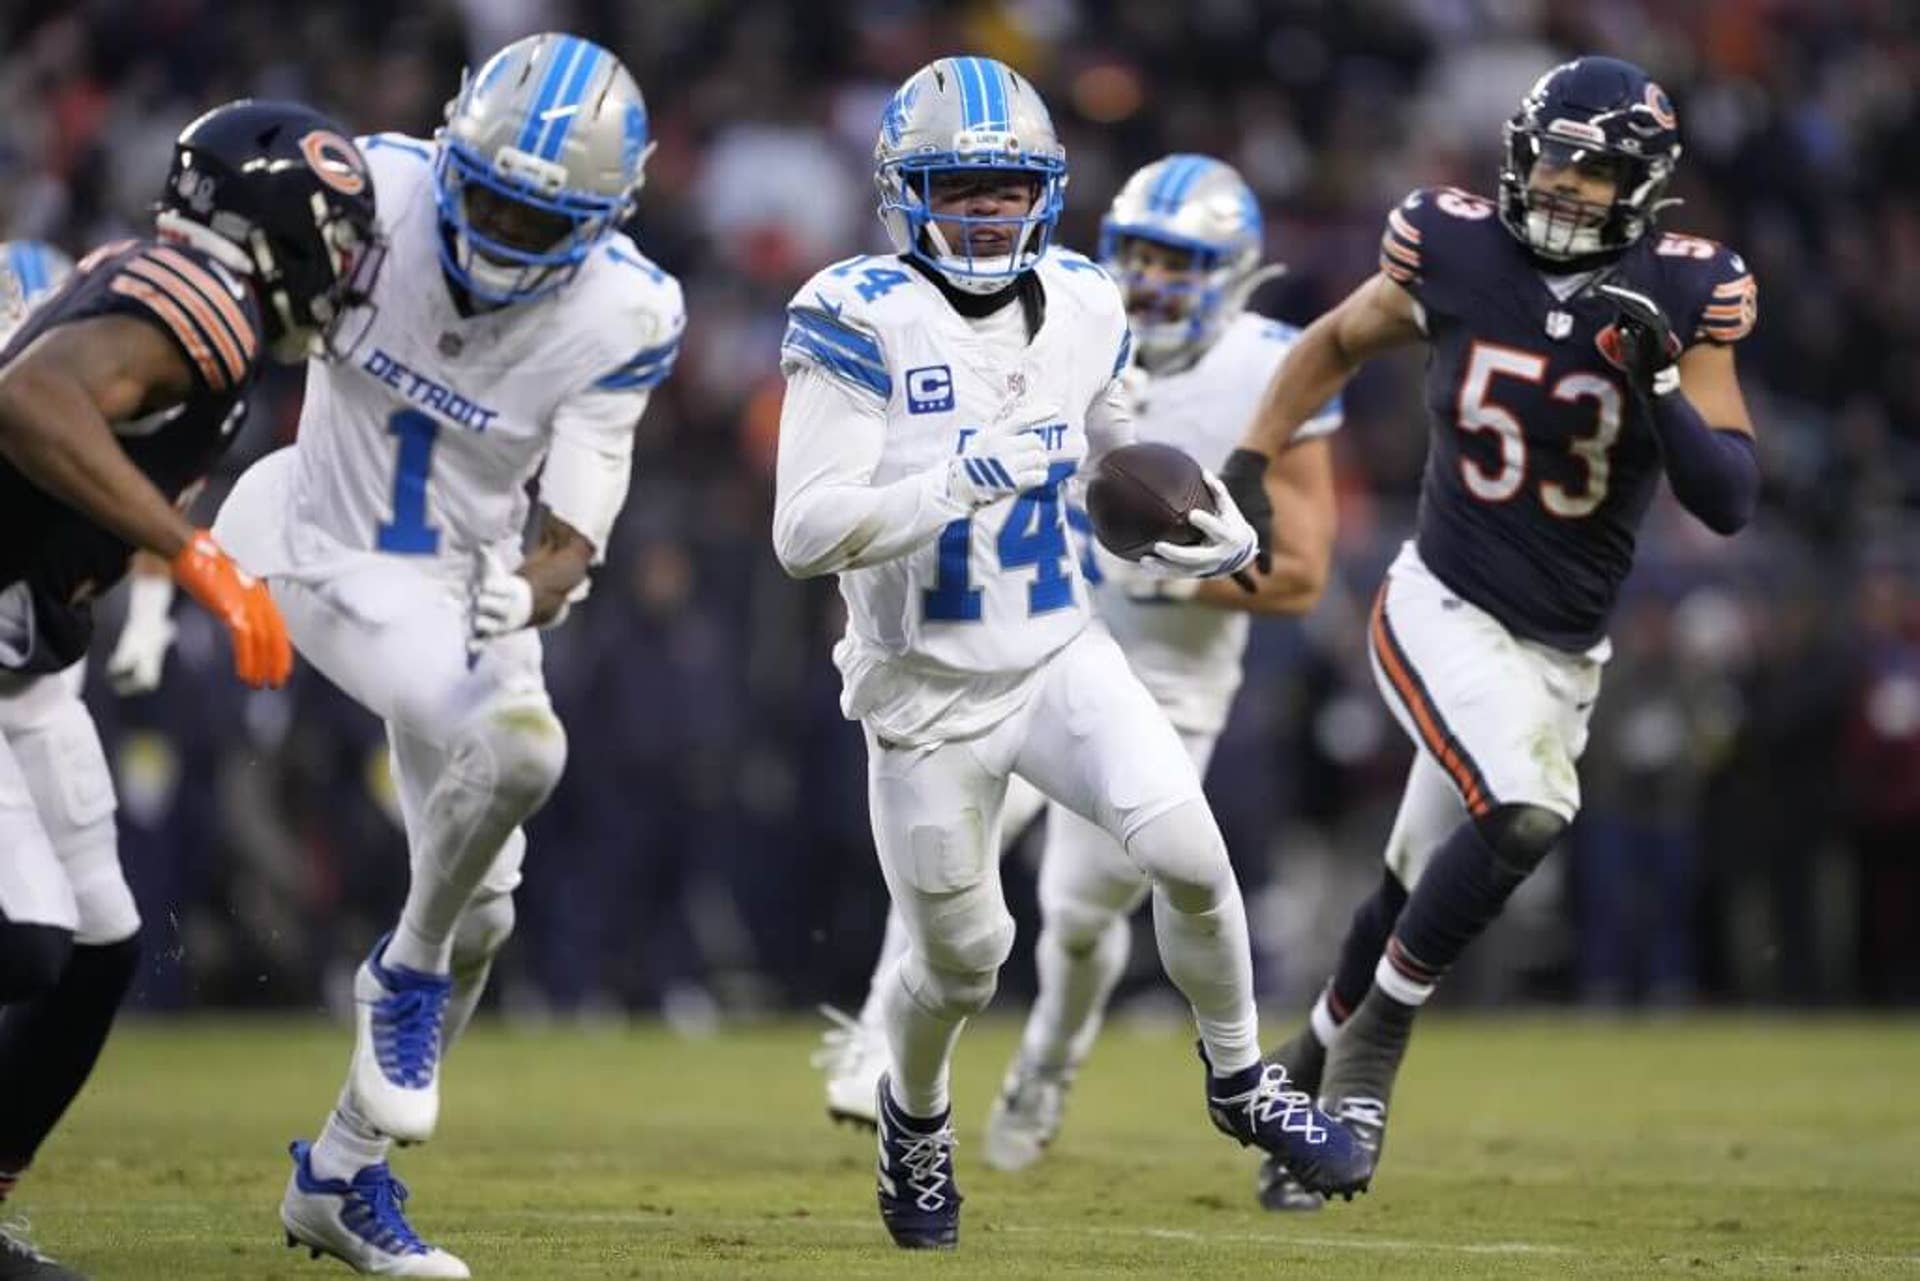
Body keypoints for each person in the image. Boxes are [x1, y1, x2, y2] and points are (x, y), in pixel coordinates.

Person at [772, 57, 1370, 1251]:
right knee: (965, 965)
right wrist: (956, 477)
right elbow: (801, 533)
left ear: (1045, 191)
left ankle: (1244, 1079)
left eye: (1010, 186)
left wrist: (1206, 523)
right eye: (963, 185)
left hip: (1058, 653)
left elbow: (1109, 443)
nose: (990, 209)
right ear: (906, 192)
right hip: (925, 692)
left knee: (1192, 859)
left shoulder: (1089, 297)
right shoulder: (854, 313)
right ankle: (916, 1118)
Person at [1217, 56, 1760, 1206]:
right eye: (1553, 157)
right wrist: (1250, 462)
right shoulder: (1453, 248)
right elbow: (1326, 342)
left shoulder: (1685, 286)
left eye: (1595, 168)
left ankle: (1296, 1106)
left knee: (1410, 889)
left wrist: (1658, 379)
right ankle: (1369, 1064)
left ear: (1643, 186)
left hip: (1566, 651)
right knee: (1528, 808)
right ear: (1517, 152)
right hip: (1441, 600)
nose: (1565, 183)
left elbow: (1729, 499)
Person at [212, 34, 684, 1278]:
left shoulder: (626, 310)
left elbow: (573, 540)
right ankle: (400, 974)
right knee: (525, 753)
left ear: (605, 220)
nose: (510, 230)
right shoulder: (364, 187)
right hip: (302, 539)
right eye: (493, 195)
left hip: (454, 589)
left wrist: (523, 597)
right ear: (449, 148)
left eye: (546, 216)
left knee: (488, 908)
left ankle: (341, 1177)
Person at [0, 97, 378, 1279]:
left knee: (103, 948)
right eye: (334, 234)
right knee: (25, 948)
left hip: (33, 647)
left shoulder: (183, 286)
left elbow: (116, 462)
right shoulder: (205, 303)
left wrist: (164, 578)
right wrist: (205, 566)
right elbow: (28, 403)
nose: (345, 264)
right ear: (271, 225)